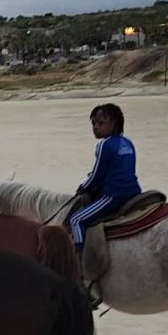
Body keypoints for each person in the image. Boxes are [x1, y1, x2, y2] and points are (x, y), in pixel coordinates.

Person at [69, 103, 142, 253]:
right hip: (134, 191)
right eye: (93, 123)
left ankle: (78, 260)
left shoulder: (105, 145)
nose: (95, 127)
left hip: (114, 195)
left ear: (114, 123)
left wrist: (83, 187)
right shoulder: (128, 143)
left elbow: (97, 175)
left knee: (76, 220)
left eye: (101, 123)